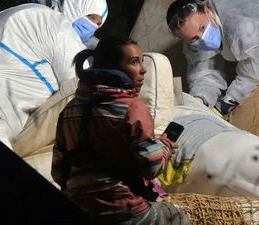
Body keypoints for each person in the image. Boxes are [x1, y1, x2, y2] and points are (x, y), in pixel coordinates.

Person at [51, 36, 189, 225]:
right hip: (122, 209)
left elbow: (58, 173)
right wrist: (165, 144)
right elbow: (152, 168)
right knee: (177, 217)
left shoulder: (69, 110)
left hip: (78, 206)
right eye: (134, 62)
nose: (143, 69)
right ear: (112, 68)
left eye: (142, 61)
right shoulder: (132, 109)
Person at [0, 0, 107, 149]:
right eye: (91, 17)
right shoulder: (60, 30)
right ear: (75, 5)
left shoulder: (30, 10)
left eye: (98, 25)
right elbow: (83, 84)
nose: (92, 27)